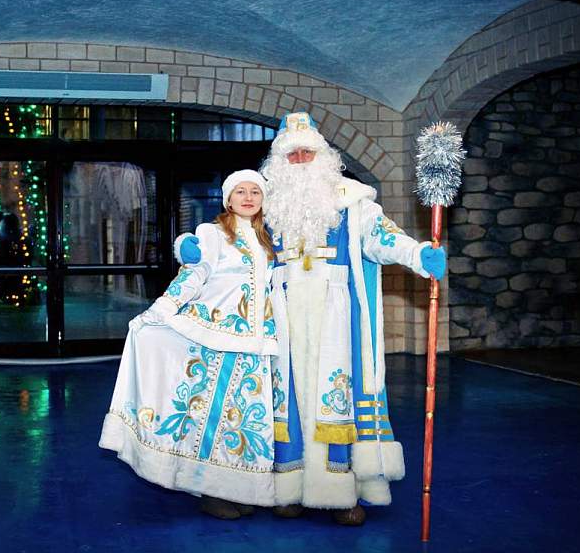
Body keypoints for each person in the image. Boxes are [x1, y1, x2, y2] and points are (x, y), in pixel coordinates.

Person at [177, 112, 446, 525]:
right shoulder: (267, 207)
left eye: (308, 152)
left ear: (324, 157)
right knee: (283, 398)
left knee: (335, 395)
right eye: (292, 154)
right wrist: (188, 246)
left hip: (335, 313)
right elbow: (224, 239)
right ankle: (289, 488)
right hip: (279, 314)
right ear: (278, 163)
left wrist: (418, 254)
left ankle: (342, 493)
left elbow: (383, 237)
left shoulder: (352, 201)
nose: (301, 159)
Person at [99, 170, 284, 520]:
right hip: (215, 336)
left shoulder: (268, 240)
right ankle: (209, 491)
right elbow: (193, 275)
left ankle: (238, 488)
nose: (248, 197)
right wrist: (159, 311)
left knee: (243, 419)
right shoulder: (212, 234)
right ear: (228, 200)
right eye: (240, 191)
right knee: (210, 416)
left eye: (255, 192)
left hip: (256, 344)